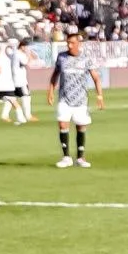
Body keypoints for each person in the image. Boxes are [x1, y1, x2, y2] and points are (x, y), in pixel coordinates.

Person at [49, 34, 104, 168]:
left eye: (72, 43)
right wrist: (50, 91)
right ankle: (66, 157)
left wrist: (99, 96)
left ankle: (80, 158)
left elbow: (96, 78)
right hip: (64, 98)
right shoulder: (62, 57)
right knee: (63, 125)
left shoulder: (86, 58)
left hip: (81, 100)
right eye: (68, 42)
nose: (69, 45)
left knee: (81, 127)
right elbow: (55, 75)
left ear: (79, 44)